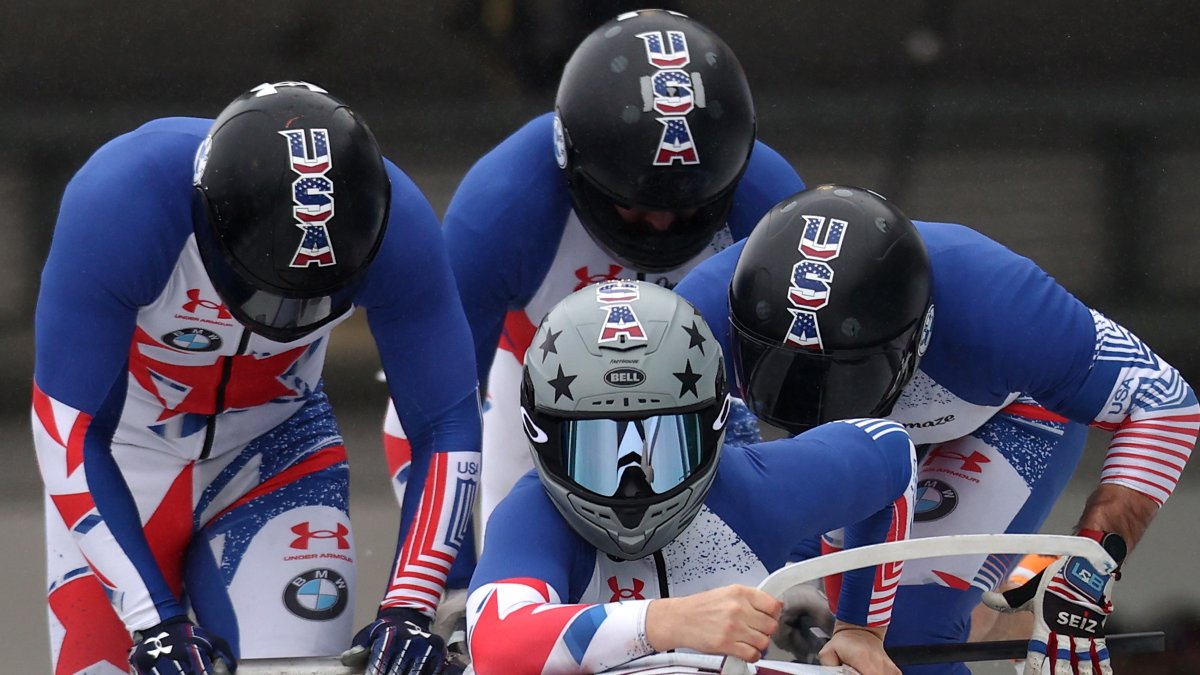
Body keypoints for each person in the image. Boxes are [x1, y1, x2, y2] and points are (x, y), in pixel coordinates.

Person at [32, 82, 482, 675]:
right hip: (121, 461)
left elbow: (445, 420)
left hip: (279, 451)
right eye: (265, 289)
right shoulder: (119, 203)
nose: (286, 319)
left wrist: (411, 605)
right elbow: (65, 427)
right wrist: (155, 623)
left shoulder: (400, 226)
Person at [673, 184, 1199, 674]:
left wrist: (1088, 570)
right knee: (746, 578)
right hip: (862, 451)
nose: (823, 401)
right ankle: (996, 599)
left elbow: (1165, 404)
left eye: (846, 375)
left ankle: (976, 596)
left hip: (1005, 419)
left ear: (922, 329)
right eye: (790, 373)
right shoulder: (697, 319)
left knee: (906, 625)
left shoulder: (998, 305)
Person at [380, 8, 806, 601]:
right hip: (542, 408)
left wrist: (814, 570)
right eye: (636, 204)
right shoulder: (501, 209)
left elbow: (815, 396)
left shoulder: (770, 203)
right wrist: (446, 589)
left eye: (687, 207)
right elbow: (429, 416)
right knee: (531, 607)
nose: (661, 224)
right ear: (573, 166)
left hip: (702, 413)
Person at [465, 280, 916, 675]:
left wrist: (860, 627)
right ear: (541, 435)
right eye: (597, 450)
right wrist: (671, 621)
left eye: (663, 446)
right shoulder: (536, 513)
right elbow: (497, 645)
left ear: (711, 426)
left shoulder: (756, 492)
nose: (632, 485)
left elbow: (893, 454)